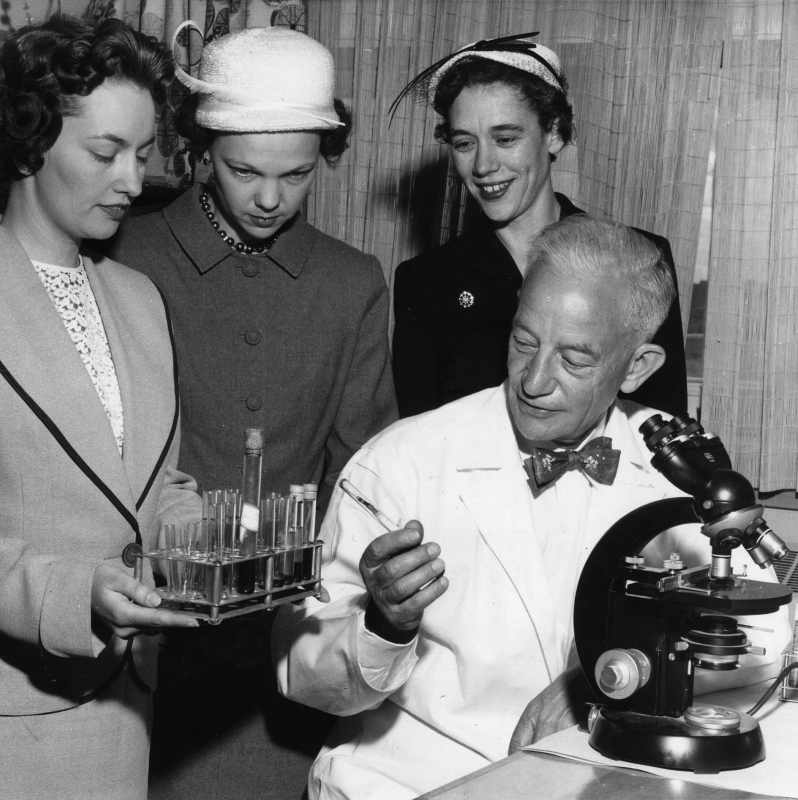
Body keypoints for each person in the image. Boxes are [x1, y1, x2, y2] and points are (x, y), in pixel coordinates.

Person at [273, 216, 790, 800]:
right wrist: (383, 624)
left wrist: (599, 680)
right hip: (410, 783)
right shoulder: (399, 461)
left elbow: (764, 637)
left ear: (637, 367)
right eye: (524, 342)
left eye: (574, 359)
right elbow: (301, 671)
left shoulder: (679, 467)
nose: (534, 381)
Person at [104, 25, 398, 800]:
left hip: (280, 652)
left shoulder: (352, 282)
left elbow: (361, 473)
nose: (269, 199)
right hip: (137, 639)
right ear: (201, 151)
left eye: (296, 175)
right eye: (244, 171)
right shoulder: (124, 256)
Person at [0, 15, 202, 800]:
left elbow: (155, 486)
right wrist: (73, 596)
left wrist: (211, 549)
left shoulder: (140, 298)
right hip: (1, 720)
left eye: (142, 153)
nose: (132, 180)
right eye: (105, 153)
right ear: (29, 143)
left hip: (126, 707)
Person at [391, 34, 688, 419]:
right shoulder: (425, 281)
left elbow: (665, 424)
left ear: (555, 134)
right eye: (464, 144)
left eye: (505, 138)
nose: (483, 165)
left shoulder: (640, 259)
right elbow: (416, 439)